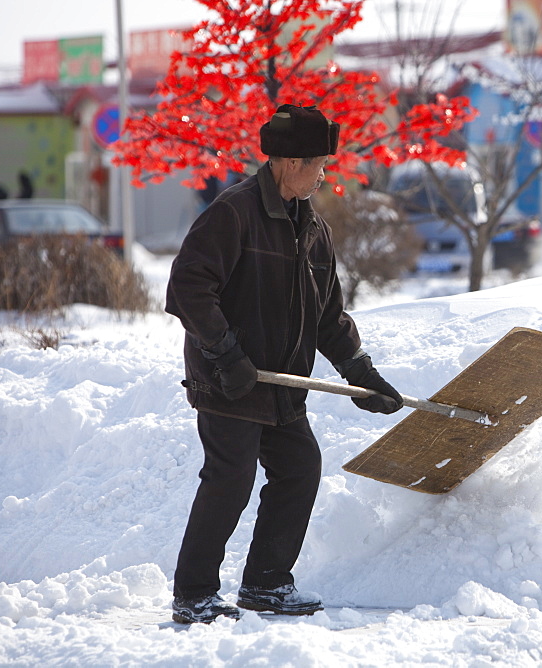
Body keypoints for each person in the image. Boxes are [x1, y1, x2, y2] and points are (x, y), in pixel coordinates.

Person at [164, 104, 404, 624]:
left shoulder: (312, 228)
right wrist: (225, 353)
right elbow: (188, 288)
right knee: (231, 478)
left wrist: (362, 374)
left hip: (280, 386)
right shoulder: (234, 213)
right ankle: (195, 593)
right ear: (289, 162)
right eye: (318, 164)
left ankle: (266, 584)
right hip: (230, 379)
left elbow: (328, 317)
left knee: (299, 468)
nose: (324, 174)